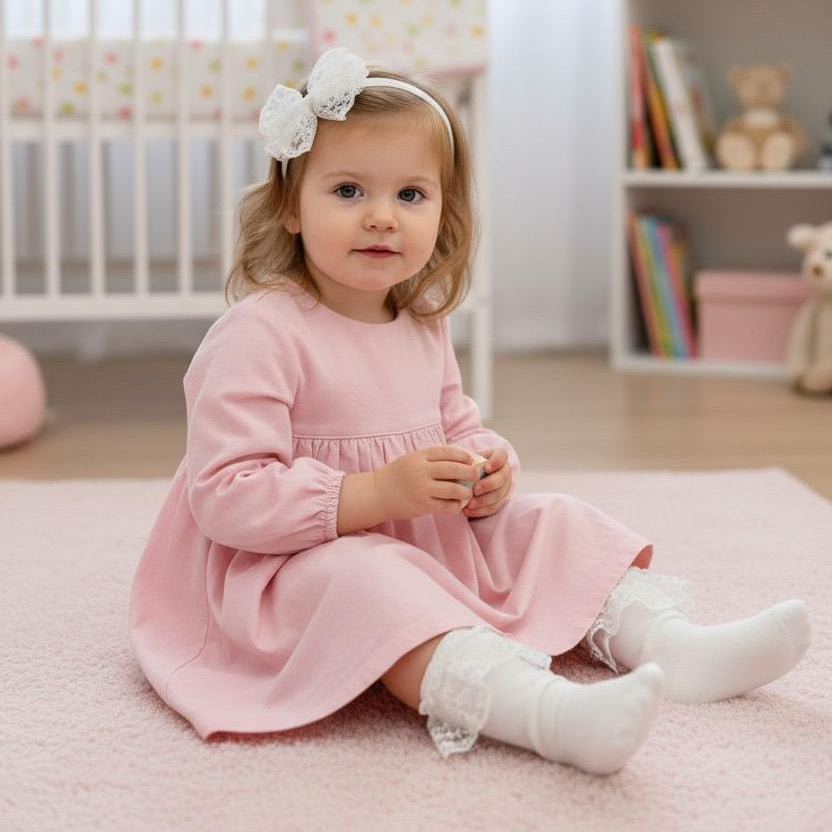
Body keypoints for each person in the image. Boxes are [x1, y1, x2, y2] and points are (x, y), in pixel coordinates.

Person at [129, 48, 812, 775]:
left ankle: (676, 648)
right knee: (372, 580)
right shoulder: (260, 332)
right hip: (286, 569)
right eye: (350, 190)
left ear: (444, 214)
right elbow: (226, 497)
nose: (383, 218)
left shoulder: (419, 320)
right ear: (291, 208)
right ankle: (546, 714)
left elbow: (456, 423)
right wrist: (372, 494)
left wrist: (487, 466)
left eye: (412, 196)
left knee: (557, 521)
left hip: (420, 536)